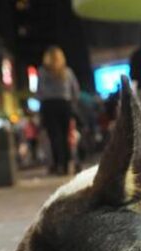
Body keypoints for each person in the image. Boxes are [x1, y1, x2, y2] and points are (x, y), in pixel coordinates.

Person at [37, 46, 80, 175]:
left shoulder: (42, 72)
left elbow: (39, 91)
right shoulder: (67, 72)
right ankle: (67, 164)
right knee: (66, 135)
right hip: (64, 104)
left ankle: (57, 164)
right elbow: (76, 91)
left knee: (54, 136)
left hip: (49, 105)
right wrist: (72, 104)